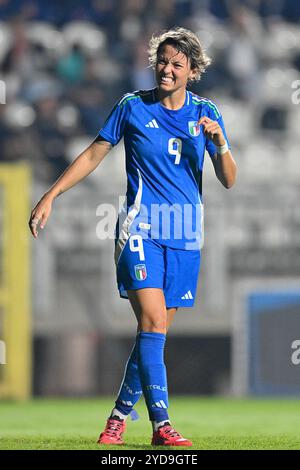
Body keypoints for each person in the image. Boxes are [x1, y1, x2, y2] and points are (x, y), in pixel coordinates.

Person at [29, 27, 237, 447]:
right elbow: (94, 152)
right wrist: (51, 194)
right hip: (140, 228)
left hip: (184, 233)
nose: (166, 68)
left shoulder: (207, 113)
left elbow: (229, 180)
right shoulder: (132, 107)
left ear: (192, 71)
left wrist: (219, 144)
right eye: (162, 60)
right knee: (154, 323)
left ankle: (117, 419)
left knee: (153, 337)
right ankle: (162, 426)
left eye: (177, 64)